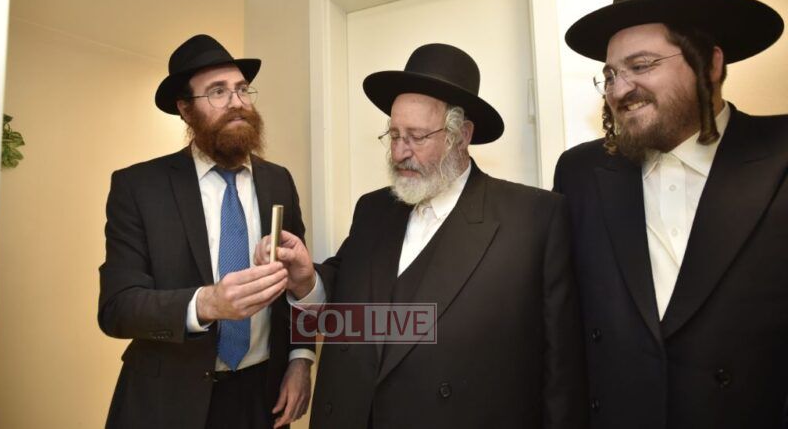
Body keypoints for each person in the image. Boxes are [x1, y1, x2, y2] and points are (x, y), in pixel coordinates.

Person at [257, 43, 588, 428]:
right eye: (394, 135)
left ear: (461, 136)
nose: (400, 152)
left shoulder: (533, 219)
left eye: (416, 136)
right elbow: (350, 307)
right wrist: (306, 281)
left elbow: (561, 372)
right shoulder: (373, 209)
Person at [556, 0, 788, 429]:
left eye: (640, 65)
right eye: (610, 75)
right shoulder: (580, 173)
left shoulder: (781, 154)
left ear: (711, 64)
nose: (619, 90)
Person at [98, 34, 313, 429]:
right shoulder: (139, 187)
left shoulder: (278, 180)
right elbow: (117, 309)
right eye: (217, 92)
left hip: (261, 396)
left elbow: (297, 284)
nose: (237, 102)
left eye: (242, 89)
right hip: (168, 401)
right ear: (185, 109)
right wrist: (206, 304)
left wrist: (301, 359)